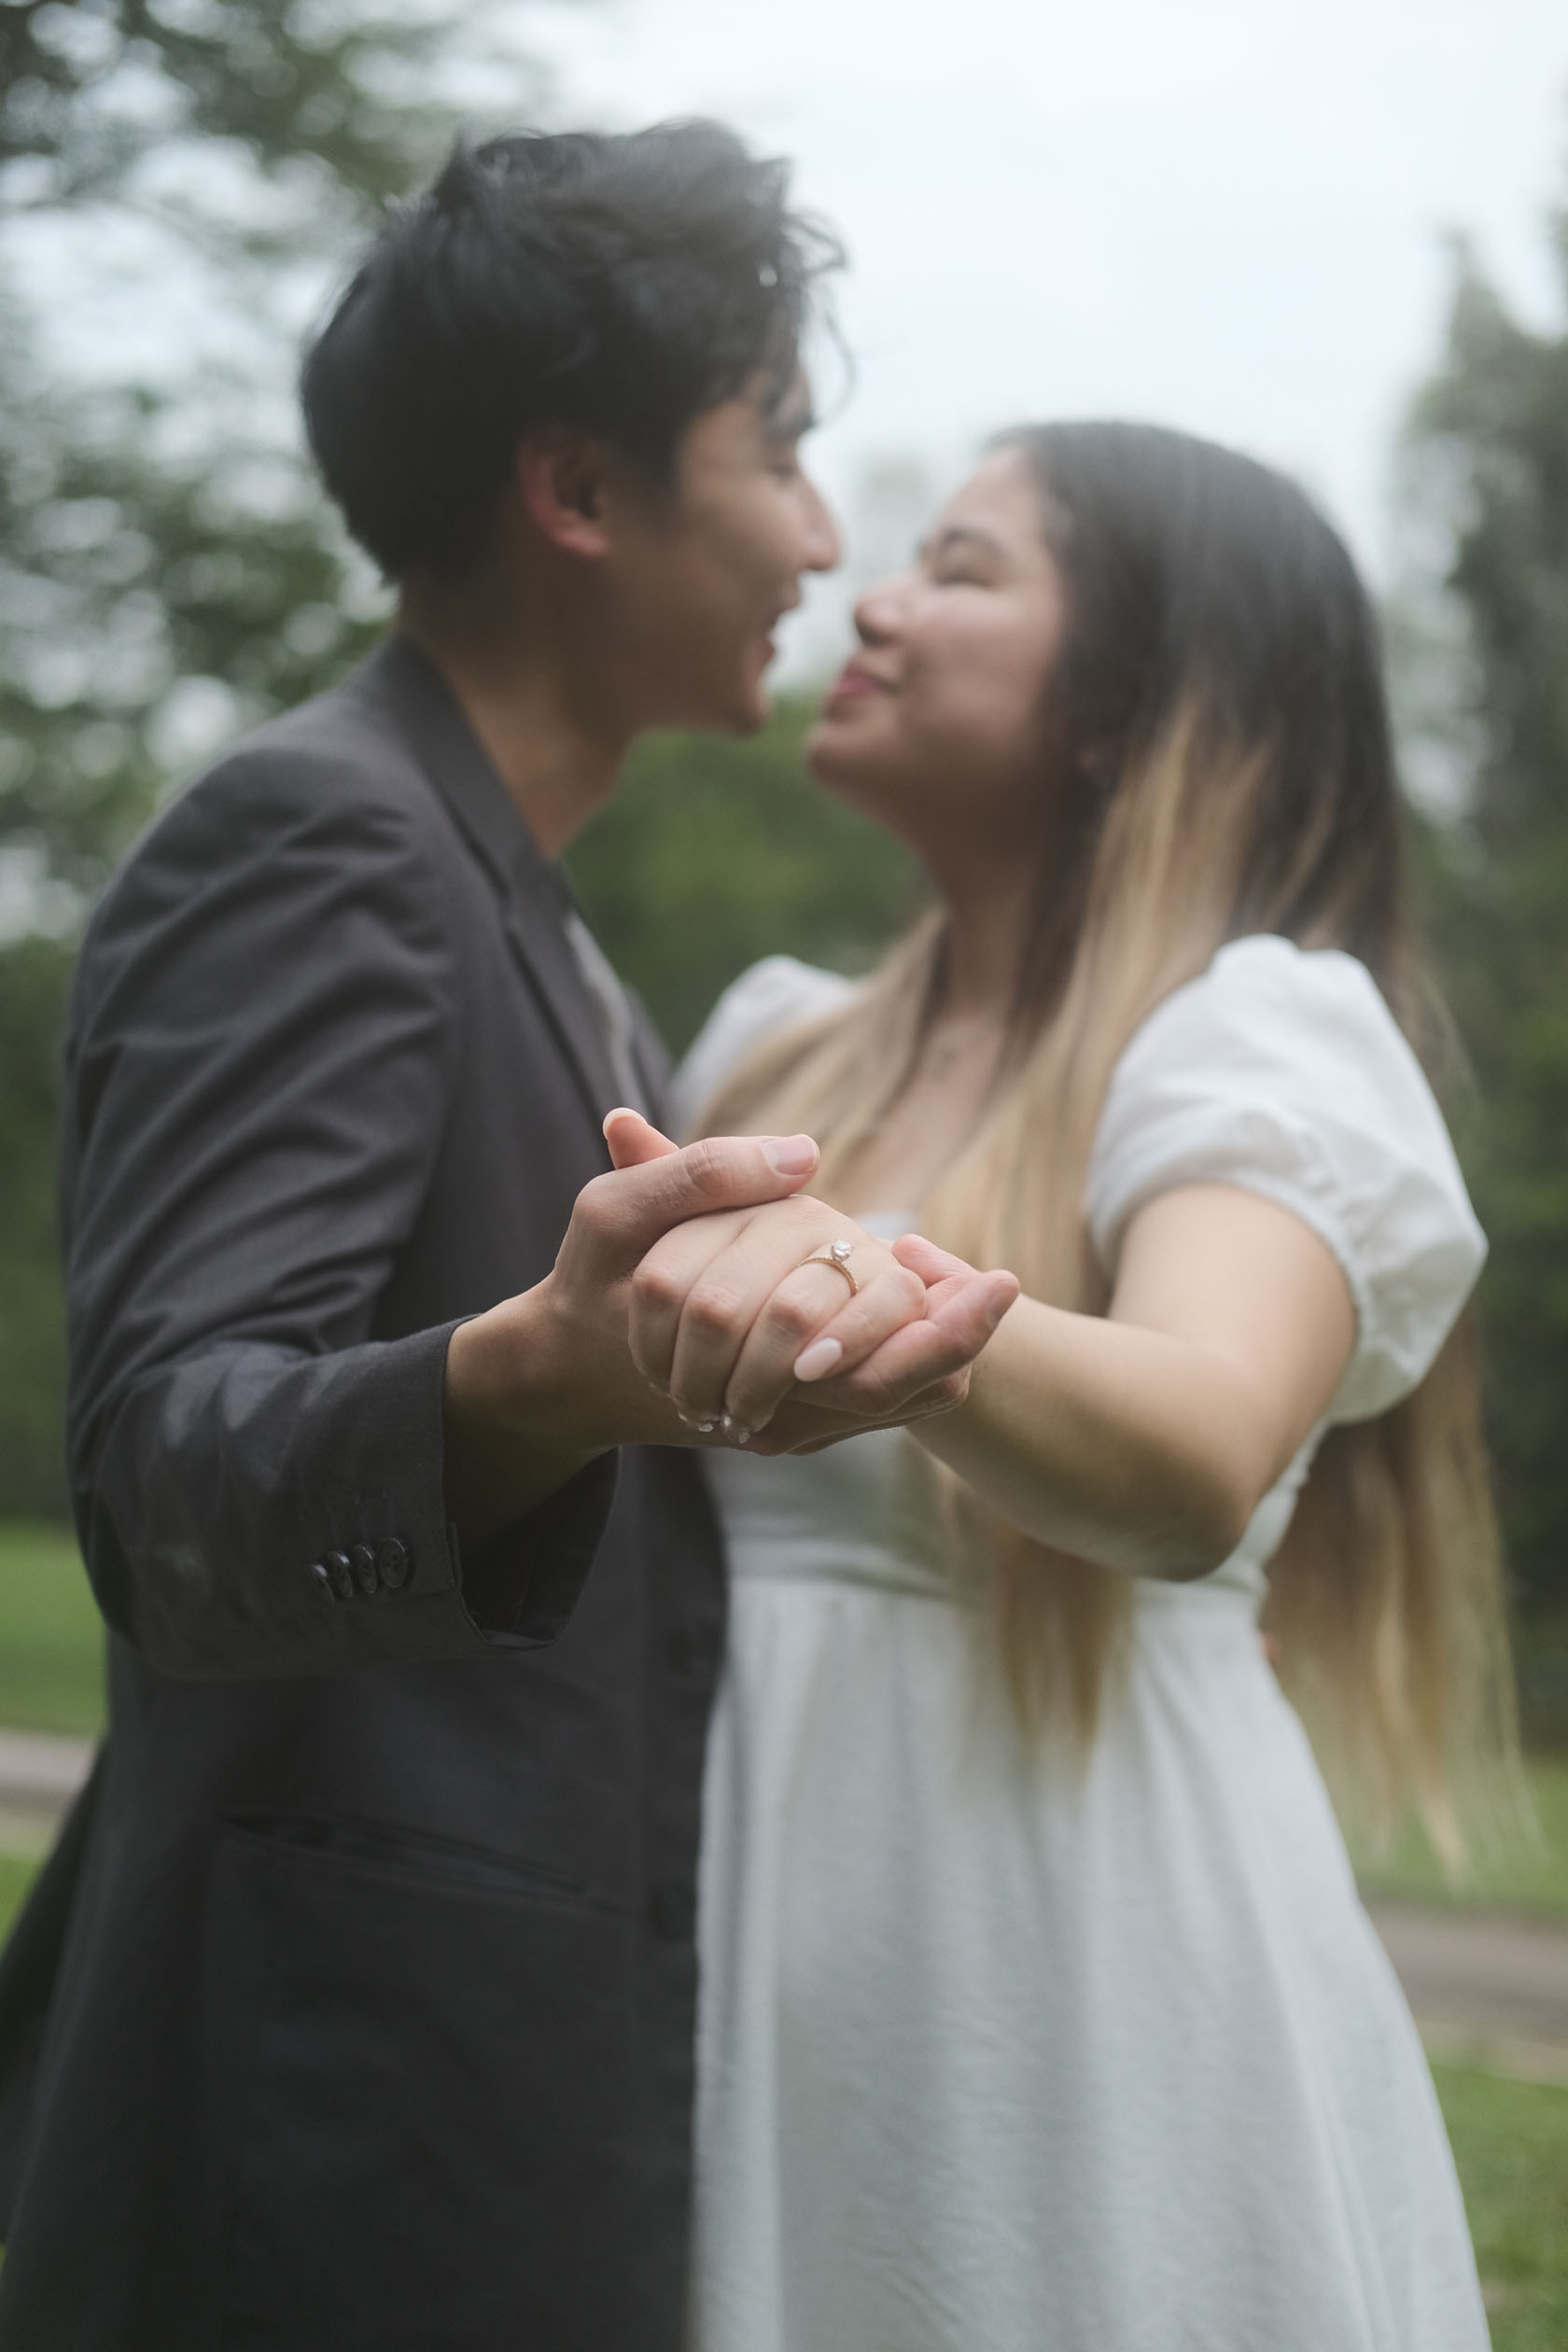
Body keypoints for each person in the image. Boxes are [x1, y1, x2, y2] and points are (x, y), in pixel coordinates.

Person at [0, 125, 1014, 2350]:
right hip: (320, 2138)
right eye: (784, 449)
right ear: (577, 485)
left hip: (495, 2097)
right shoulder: (322, 838)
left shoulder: (547, 934)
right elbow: (172, 1490)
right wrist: (548, 1371)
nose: (824, 541)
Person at [669, 421, 1514, 2351]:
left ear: (1125, 704)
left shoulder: (1258, 1039)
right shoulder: (768, 1051)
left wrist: (864, 1292)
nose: (872, 600)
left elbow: (1200, 1446)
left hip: (1069, 1982)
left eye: (963, 569)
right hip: (732, 1950)